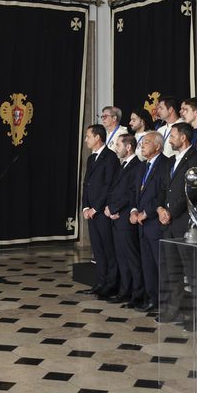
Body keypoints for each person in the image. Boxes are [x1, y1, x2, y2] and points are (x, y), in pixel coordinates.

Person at [155, 122, 197, 325]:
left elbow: (193, 190)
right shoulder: (170, 161)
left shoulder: (196, 158)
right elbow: (163, 189)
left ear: (183, 138)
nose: (170, 139)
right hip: (168, 223)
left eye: (173, 135)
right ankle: (174, 309)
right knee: (172, 270)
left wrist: (171, 211)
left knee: (192, 272)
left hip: (185, 223)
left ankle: (196, 315)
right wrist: (160, 208)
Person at [104, 134, 144, 308]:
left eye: (118, 144)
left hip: (126, 218)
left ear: (128, 147)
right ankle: (124, 291)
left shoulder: (137, 166)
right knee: (121, 258)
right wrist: (110, 208)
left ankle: (137, 294)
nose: (115, 148)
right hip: (116, 218)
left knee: (132, 259)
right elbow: (114, 190)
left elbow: (131, 193)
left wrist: (115, 209)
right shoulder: (122, 165)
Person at [131, 132, 169, 312]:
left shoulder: (166, 164)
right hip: (141, 224)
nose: (142, 145)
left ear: (158, 146)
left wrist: (147, 212)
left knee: (159, 264)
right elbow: (135, 192)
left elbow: (163, 193)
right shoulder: (142, 166)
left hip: (155, 223)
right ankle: (152, 298)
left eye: (146, 142)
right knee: (147, 264)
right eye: (142, 142)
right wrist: (134, 210)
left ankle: (164, 302)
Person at [81, 124, 120, 298]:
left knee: (108, 248)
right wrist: (85, 207)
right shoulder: (91, 158)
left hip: (102, 211)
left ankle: (112, 284)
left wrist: (95, 208)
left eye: (88, 136)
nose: (86, 139)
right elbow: (86, 184)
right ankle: (101, 281)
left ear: (97, 137)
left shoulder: (110, 157)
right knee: (97, 249)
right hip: (91, 211)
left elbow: (108, 186)